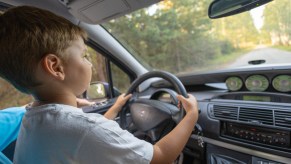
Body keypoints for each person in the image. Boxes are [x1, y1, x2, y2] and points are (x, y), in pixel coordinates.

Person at [0, 6, 199, 164]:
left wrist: (117, 107)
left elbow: (87, 135)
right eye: (84, 56)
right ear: (55, 67)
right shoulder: (80, 128)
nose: (89, 62)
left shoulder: (33, 119)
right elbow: (160, 156)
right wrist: (191, 116)